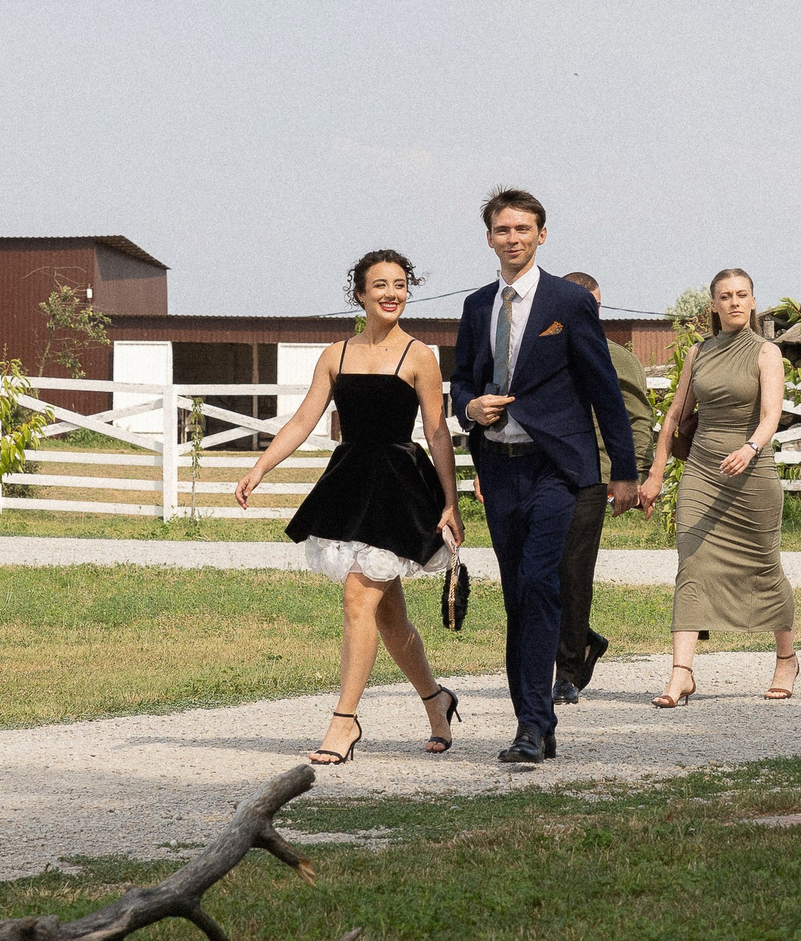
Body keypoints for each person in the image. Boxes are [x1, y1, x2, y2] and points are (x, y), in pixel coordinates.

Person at [236, 250, 465, 765]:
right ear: (359, 294)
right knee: (389, 620)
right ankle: (437, 700)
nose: (391, 293)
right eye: (380, 284)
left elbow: (435, 431)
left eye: (400, 284)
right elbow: (301, 421)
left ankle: (344, 721)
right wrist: (259, 469)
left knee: (358, 598)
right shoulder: (334, 355)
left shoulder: (420, 356)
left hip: (400, 490)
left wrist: (451, 502)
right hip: (351, 487)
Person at [447, 189, 637, 765]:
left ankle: (532, 726)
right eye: (503, 230)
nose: (513, 238)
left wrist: (624, 472)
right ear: (489, 238)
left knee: (538, 584)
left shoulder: (567, 303)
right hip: (500, 471)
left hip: (559, 469)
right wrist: (469, 408)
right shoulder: (479, 306)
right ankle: (537, 721)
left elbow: (606, 390)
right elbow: (459, 379)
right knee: (516, 596)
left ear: (542, 235)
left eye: (523, 229)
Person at [638, 268, 798, 706]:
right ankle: (681, 675)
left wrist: (750, 448)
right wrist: (655, 473)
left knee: (764, 566)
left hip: (752, 473)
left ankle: (786, 657)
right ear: (713, 304)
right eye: (725, 296)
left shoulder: (766, 352)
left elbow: (771, 415)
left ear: (752, 301)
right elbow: (673, 418)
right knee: (691, 565)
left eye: (741, 295)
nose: (733, 302)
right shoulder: (699, 352)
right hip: (704, 474)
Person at [554, 271, 655, 705]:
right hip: (539, 470)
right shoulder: (542, 351)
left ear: (598, 306)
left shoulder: (616, 356)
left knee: (573, 571)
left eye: (588, 303)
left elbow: (636, 416)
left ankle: (567, 673)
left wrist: (632, 472)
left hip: (593, 473)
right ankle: (586, 639)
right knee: (534, 571)